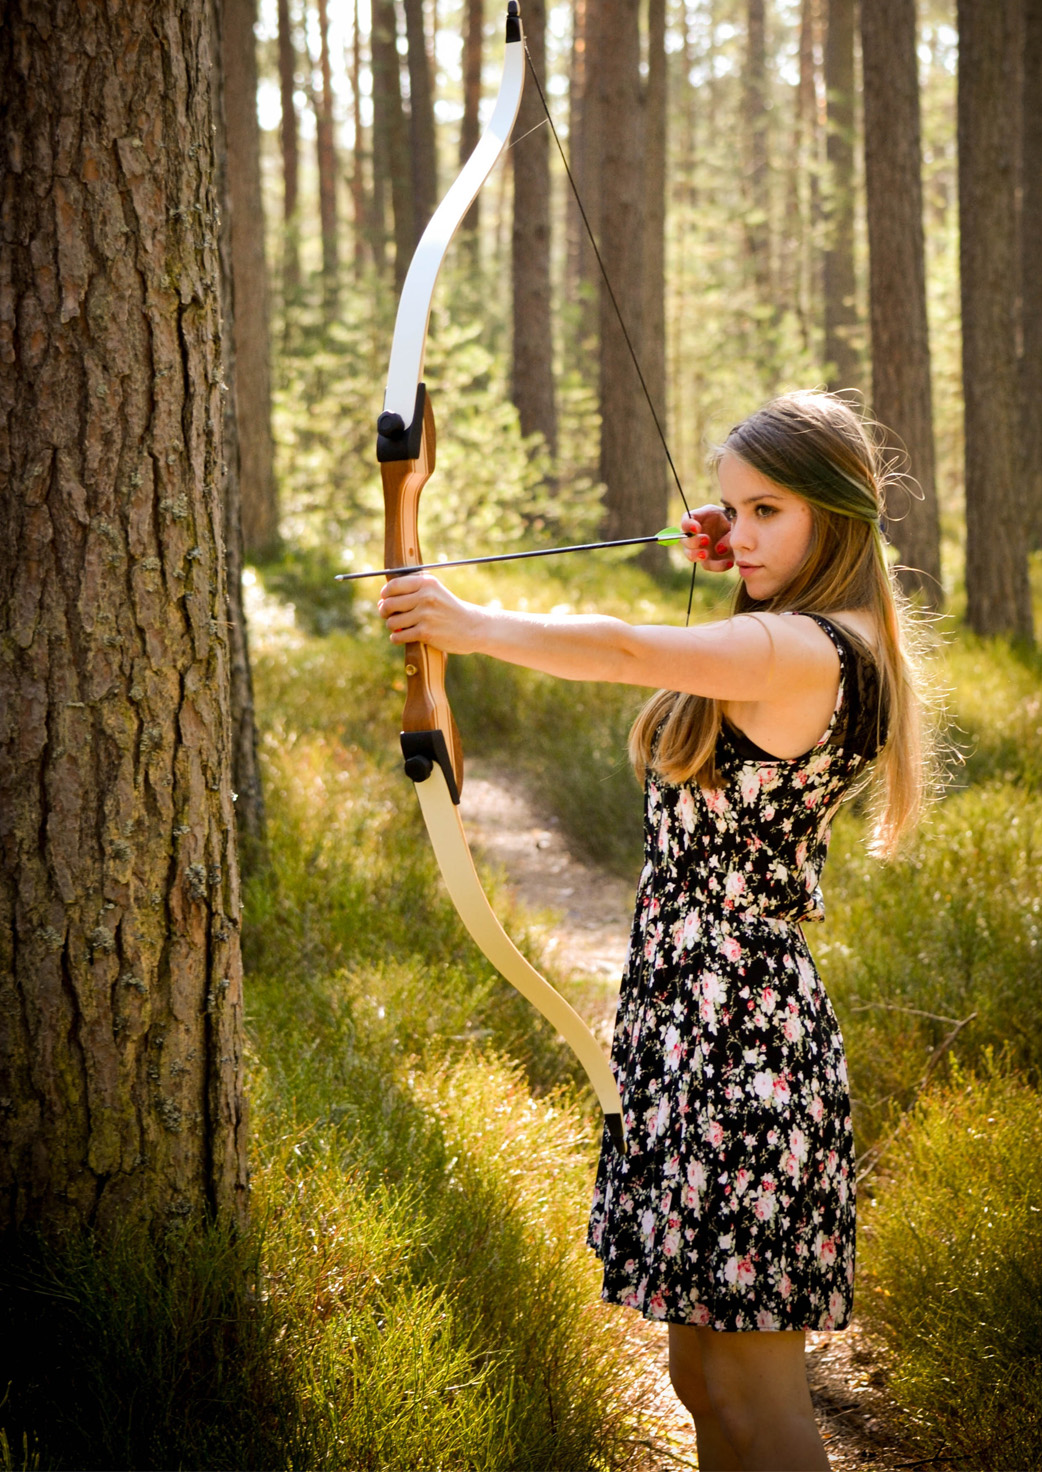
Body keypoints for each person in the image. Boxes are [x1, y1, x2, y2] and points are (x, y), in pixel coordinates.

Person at [378, 390, 930, 1472]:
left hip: (741, 1042)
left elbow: (629, 651)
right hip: (690, 1027)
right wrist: (745, 557)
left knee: (757, 1395)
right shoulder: (803, 631)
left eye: (767, 511)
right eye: (728, 510)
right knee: (700, 1381)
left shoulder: (808, 648)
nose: (738, 534)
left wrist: (467, 625)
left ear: (837, 511)